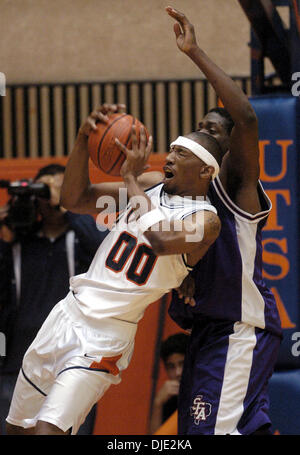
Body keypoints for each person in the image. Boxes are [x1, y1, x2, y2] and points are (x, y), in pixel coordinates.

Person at [5, 102, 222, 435]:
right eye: (172, 149)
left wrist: (131, 182)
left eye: (182, 153)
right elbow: (75, 199)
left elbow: (161, 241)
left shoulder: (205, 221)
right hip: (66, 314)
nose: (171, 157)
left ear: (206, 171)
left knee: (50, 430)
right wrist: (82, 140)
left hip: (105, 337)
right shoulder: (149, 186)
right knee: (19, 429)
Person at [165, 7, 283, 435]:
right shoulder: (181, 190)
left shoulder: (236, 184)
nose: (203, 134)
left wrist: (194, 51)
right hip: (208, 331)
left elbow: (247, 119)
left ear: (232, 145)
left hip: (238, 327)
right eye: (199, 127)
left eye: (214, 129)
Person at [0, 164, 109, 435]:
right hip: (18, 361)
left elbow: (106, 249)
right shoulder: (18, 241)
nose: (51, 197)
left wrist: (68, 204)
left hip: (72, 360)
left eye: (60, 188)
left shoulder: (81, 238)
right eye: (46, 190)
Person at [149, 332, 189, 434]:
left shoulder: (209, 389)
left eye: (183, 364)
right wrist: (158, 403)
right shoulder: (170, 398)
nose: (178, 372)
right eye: (171, 367)